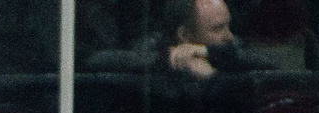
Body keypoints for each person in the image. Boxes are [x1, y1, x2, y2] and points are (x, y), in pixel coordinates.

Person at [86, 0, 275, 81]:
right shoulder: (155, 48)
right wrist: (169, 60)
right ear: (185, 35)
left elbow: (269, 62)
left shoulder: (229, 47)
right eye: (217, 29)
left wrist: (208, 53)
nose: (229, 36)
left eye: (228, 26)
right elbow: (96, 61)